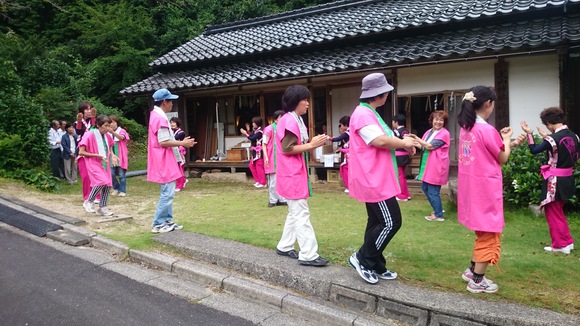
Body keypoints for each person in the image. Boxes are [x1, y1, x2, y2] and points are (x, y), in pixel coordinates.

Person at [347, 73, 417, 284]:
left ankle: (376, 264)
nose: (387, 94)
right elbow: (378, 140)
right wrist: (404, 143)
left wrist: (405, 141)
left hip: (377, 176)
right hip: (373, 179)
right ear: (378, 94)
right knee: (391, 222)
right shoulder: (363, 114)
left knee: (377, 221)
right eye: (386, 91)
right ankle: (363, 258)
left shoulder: (370, 112)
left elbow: (385, 139)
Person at [457, 86, 515, 294]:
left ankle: (472, 270)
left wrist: (504, 142)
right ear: (488, 103)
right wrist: (507, 140)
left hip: (471, 187)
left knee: (482, 230)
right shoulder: (486, 129)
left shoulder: (466, 127)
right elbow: (502, 157)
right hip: (485, 187)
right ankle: (477, 280)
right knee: (489, 232)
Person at [275, 85, 328, 267]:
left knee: (294, 213)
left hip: (293, 173)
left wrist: (315, 142)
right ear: (295, 101)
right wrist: (313, 145)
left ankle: (284, 245)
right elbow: (288, 148)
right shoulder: (290, 121)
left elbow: (298, 144)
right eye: (305, 100)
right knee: (301, 214)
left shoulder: (294, 119)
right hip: (292, 175)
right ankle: (308, 254)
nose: (307, 103)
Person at [520, 107, 578, 254]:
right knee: (559, 211)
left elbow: (534, 150)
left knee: (552, 211)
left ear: (549, 123)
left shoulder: (551, 139)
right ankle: (567, 242)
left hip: (555, 180)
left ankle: (560, 245)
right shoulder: (574, 136)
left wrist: (529, 134)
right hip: (568, 178)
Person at [147, 88, 196, 233]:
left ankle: (167, 220)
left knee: (169, 191)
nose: (172, 104)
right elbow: (163, 141)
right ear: (164, 102)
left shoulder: (155, 115)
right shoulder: (160, 118)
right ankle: (158, 223)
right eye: (171, 101)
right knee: (167, 192)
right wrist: (183, 143)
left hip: (164, 159)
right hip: (163, 159)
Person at [411, 111, 450, 221]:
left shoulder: (444, 134)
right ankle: (437, 209)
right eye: (436, 119)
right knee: (425, 187)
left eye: (441, 120)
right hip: (428, 164)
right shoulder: (429, 132)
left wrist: (415, 137)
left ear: (444, 122)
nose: (438, 122)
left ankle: (438, 215)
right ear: (432, 120)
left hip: (437, 165)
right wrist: (412, 143)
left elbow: (429, 146)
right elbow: (422, 146)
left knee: (433, 191)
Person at [78, 115, 116, 216]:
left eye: (109, 126)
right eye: (105, 126)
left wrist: (113, 155)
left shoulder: (107, 135)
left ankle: (102, 207)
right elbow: (81, 152)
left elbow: (110, 146)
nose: (107, 128)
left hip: (105, 163)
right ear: (98, 125)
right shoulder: (89, 134)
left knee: (108, 184)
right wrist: (96, 155)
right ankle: (89, 201)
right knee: (101, 181)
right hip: (93, 162)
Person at [262, 110, 287, 207]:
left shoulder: (284, 128)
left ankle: (282, 199)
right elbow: (264, 144)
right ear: (275, 119)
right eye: (280, 118)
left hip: (282, 157)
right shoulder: (269, 129)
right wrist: (266, 157)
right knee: (273, 181)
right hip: (272, 157)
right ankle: (272, 200)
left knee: (282, 179)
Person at [75, 101, 98, 202]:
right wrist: (79, 122)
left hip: (94, 150)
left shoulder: (96, 121)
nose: (89, 111)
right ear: (81, 111)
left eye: (90, 109)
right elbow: (78, 132)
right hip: (82, 151)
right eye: (86, 109)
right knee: (85, 176)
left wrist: (93, 118)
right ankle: (87, 197)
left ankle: (97, 196)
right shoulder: (77, 122)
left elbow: (95, 130)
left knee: (95, 174)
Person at [241, 116, 267, 188]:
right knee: (252, 165)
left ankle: (263, 182)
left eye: (254, 123)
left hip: (259, 151)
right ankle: (258, 181)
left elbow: (252, 138)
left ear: (257, 123)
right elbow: (252, 136)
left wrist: (245, 133)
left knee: (259, 166)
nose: (252, 124)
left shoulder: (260, 131)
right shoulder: (256, 130)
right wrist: (248, 131)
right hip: (255, 151)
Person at [392, 114, 413, 201]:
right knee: (402, 175)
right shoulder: (406, 131)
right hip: (405, 155)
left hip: (398, 156)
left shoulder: (396, 132)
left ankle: (402, 195)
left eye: (393, 122)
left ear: (396, 122)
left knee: (400, 176)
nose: (392, 123)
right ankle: (406, 193)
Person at [109, 115, 130, 197]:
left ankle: (122, 190)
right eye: (110, 122)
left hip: (120, 155)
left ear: (117, 123)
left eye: (114, 122)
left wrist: (113, 132)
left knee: (121, 174)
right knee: (111, 173)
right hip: (111, 154)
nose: (112, 124)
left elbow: (122, 138)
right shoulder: (107, 132)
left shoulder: (122, 130)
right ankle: (116, 188)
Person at [329, 116, 351, 193]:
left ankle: (349, 187)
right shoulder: (352, 132)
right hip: (348, 153)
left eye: (341, 125)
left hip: (348, 155)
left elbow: (336, 139)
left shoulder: (347, 133)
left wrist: (328, 138)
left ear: (345, 124)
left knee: (346, 170)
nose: (341, 126)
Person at [170, 117, 188, 192]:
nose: (172, 124)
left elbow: (174, 138)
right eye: (171, 122)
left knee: (179, 169)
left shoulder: (181, 133)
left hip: (179, 153)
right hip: (173, 152)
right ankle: (183, 180)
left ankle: (179, 185)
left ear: (177, 123)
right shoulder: (171, 131)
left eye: (173, 122)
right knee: (174, 169)